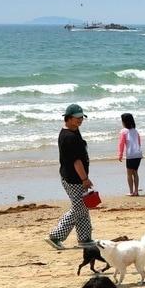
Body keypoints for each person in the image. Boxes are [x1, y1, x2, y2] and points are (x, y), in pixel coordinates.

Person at [46, 104, 95, 251]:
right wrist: (85, 179)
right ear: (68, 118)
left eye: (82, 118)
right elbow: (76, 161)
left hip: (74, 176)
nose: (80, 120)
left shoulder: (74, 130)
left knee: (84, 206)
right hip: (73, 178)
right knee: (79, 207)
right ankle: (56, 236)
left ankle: (85, 238)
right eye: (77, 118)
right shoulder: (69, 137)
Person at [117, 113, 143, 197]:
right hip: (138, 154)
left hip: (131, 154)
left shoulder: (123, 131)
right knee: (135, 172)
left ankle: (131, 191)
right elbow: (139, 142)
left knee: (129, 174)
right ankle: (136, 191)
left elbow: (121, 144)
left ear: (124, 122)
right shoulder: (135, 131)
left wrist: (120, 154)